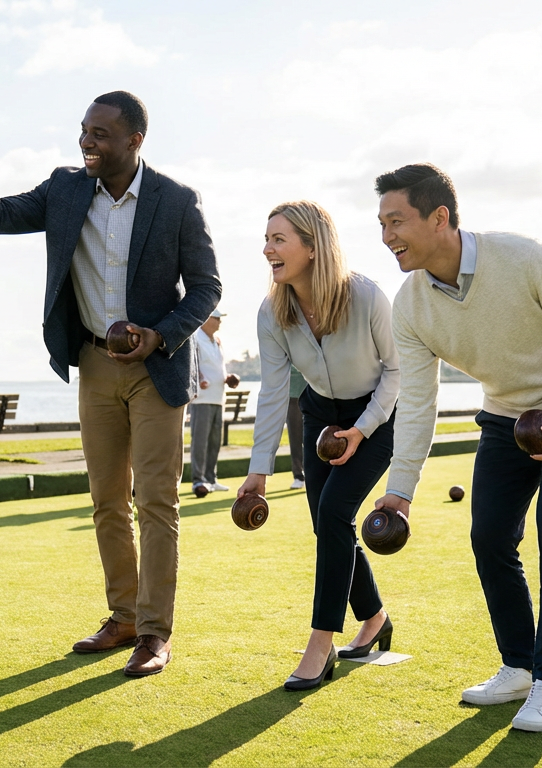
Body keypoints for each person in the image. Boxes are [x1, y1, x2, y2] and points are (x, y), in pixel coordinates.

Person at [0, 90, 220, 677]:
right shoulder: (64, 189)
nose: (87, 141)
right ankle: (122, 617)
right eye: (84, 131)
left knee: (156, 501)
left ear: (135, 140)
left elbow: (207, 289)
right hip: (92, 365)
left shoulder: (176, 200)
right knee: (107, 500)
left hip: (156, 369)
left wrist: (159, 335)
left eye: (100, 133)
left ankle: (153, 632)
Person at [369, 164, 542, 732]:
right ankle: (520, 665)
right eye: (381, 225)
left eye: (397, 221)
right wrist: (399, 492)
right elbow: (419, 404)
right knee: (489, 537)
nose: (387, 238)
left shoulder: (524, 259)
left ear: (440, 218)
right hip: (507, 418)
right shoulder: (410, 305)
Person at [236, 200, 400, 691]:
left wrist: (363, 428)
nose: (268, 249)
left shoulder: (367, 296)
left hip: (377, 415)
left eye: (278, 239)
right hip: (319, 416)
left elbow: (396, 371)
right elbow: (271, 392)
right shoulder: (273, 311)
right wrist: (258, 469)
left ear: (312, 246)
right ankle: (374, 618)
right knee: (326, 523)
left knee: (332, 515)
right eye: (266, 239)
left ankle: (321, 641)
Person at [189, 310, 230, 496]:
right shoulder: (195, 338)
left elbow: (219, 367)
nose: (220, 322)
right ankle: (198, 480)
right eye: (217, 318)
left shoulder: (218, 341)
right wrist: (199, 379)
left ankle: (211, 479)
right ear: (205, 319)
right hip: (202, 399)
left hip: (218, 398)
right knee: (200, 441)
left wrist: (228, 377)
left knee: (214, 441)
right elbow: (192, 364)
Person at [287, 368, 308, 489]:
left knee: (313, 437)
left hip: (313, 394)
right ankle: (298, 476)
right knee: (295, 437)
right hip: (293, 396)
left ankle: (314, 474)